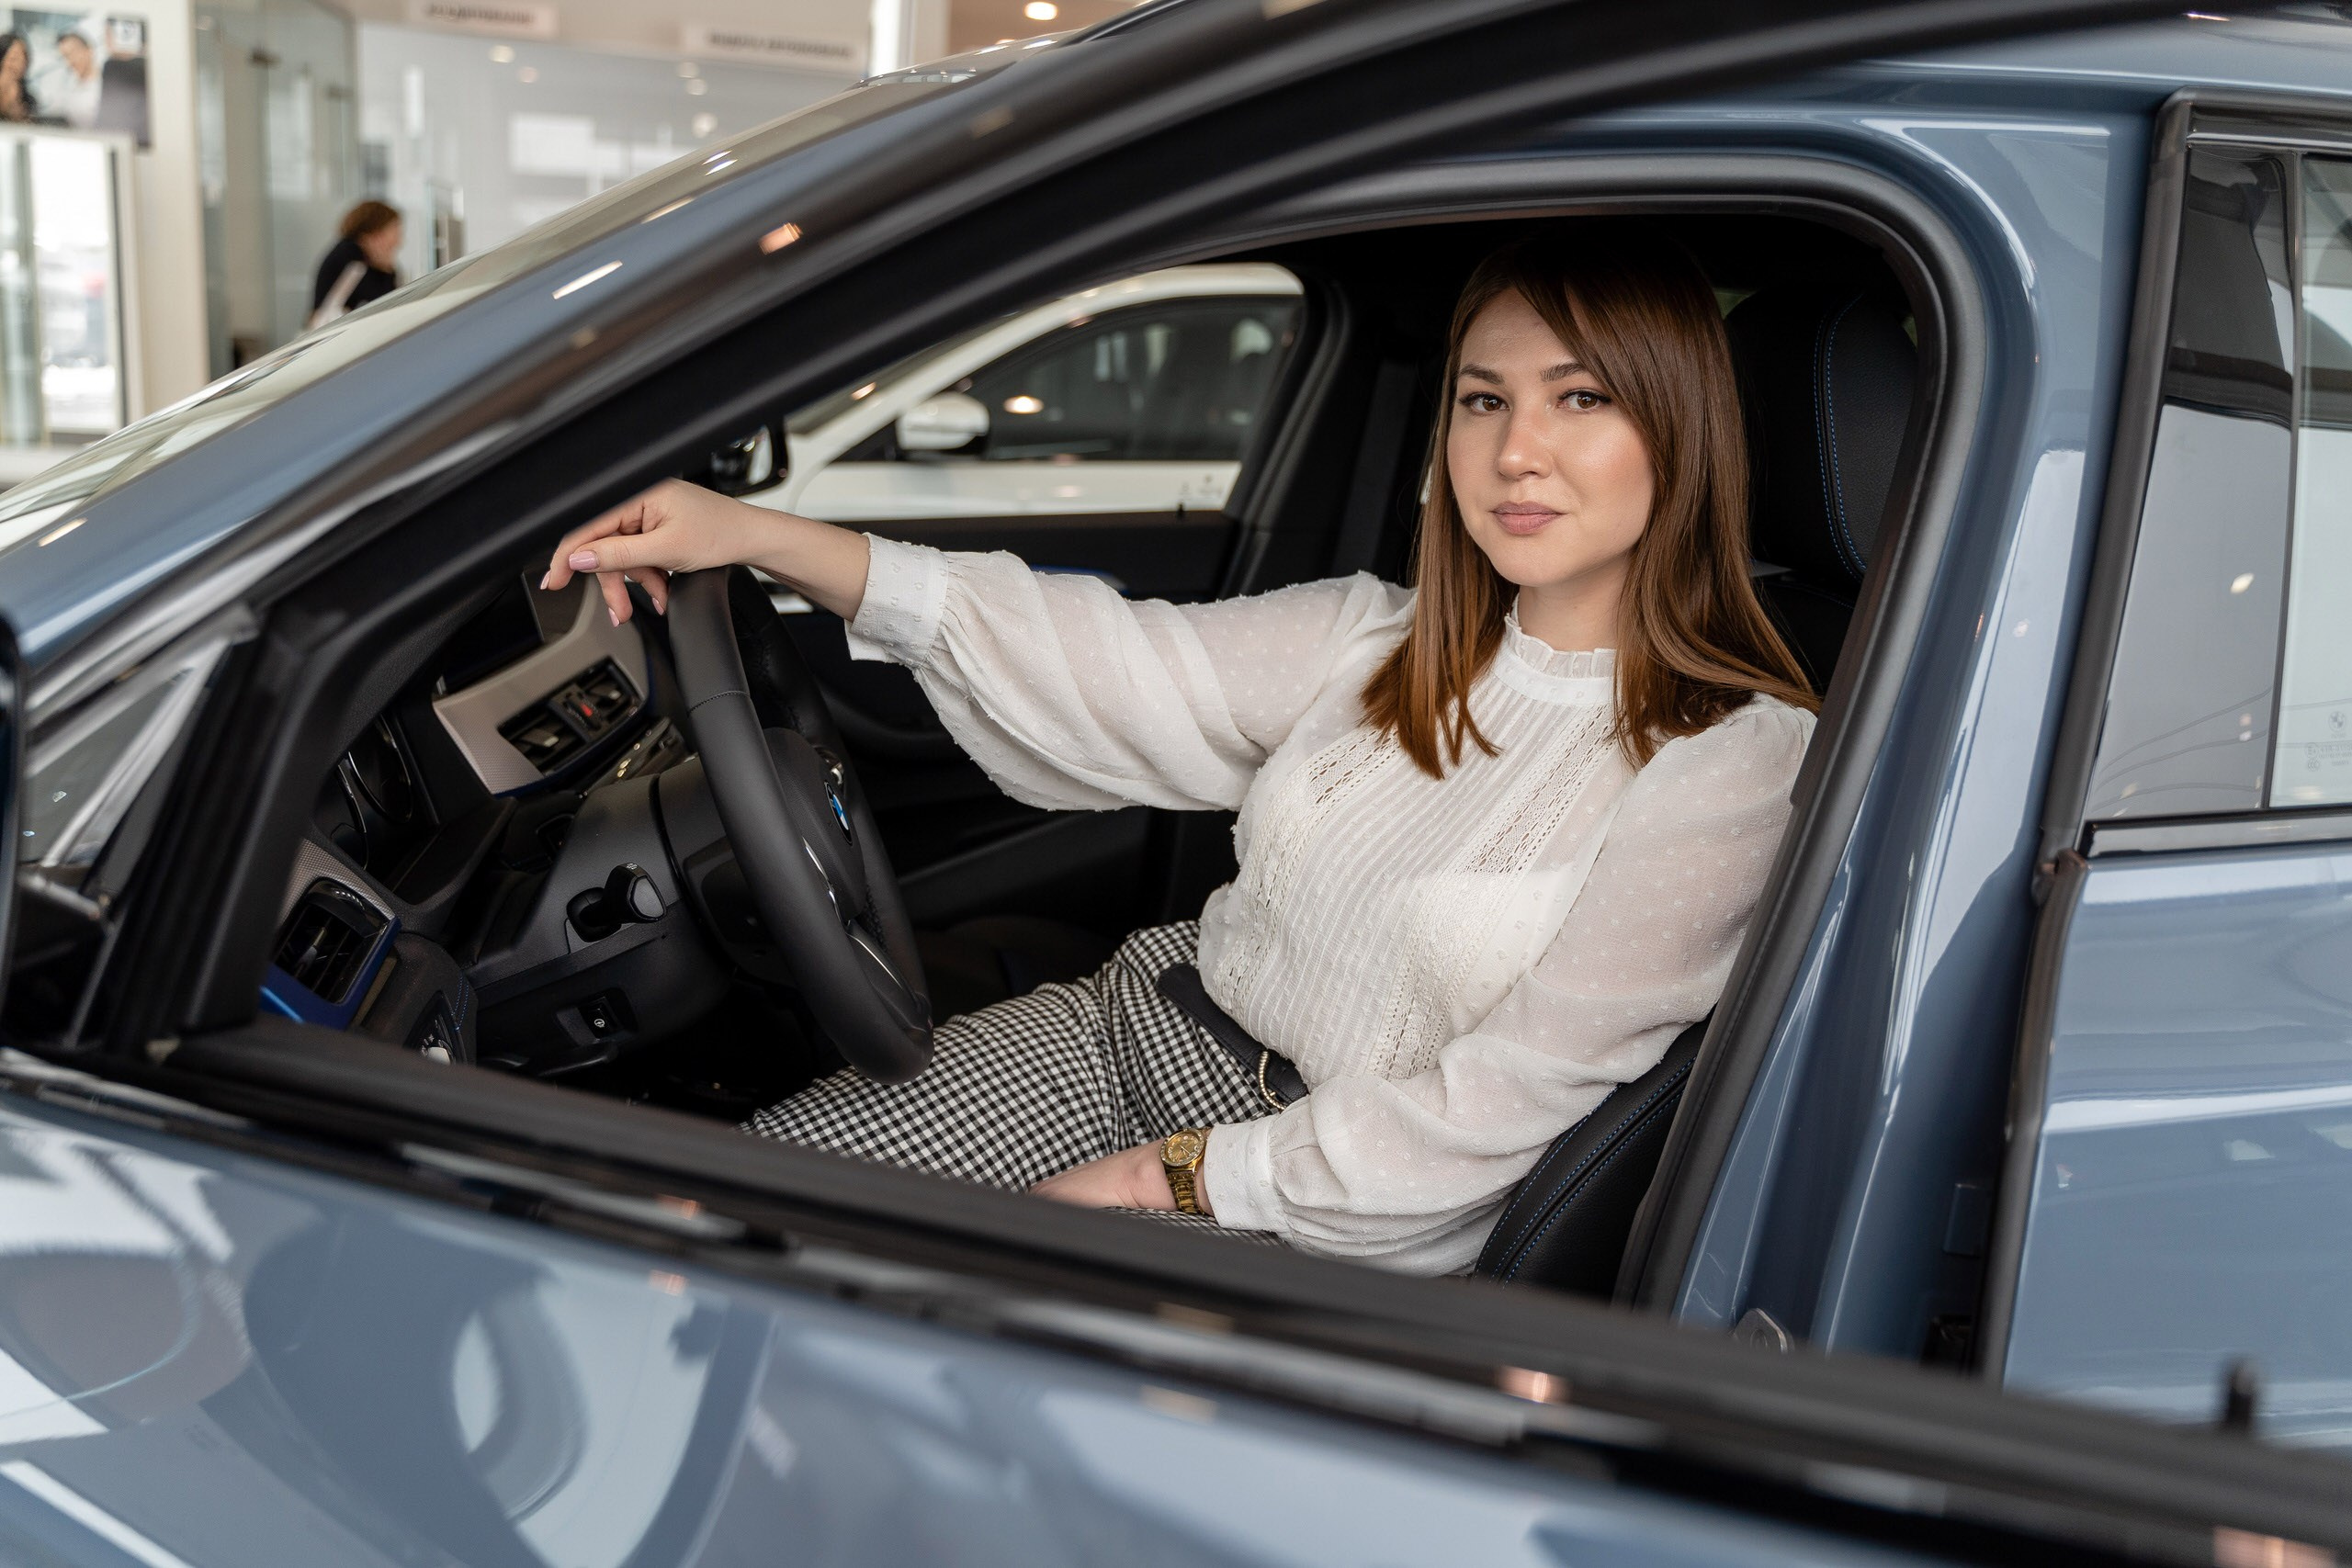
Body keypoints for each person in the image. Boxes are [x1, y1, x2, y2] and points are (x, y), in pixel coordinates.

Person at [542, 228, 1820, 1275]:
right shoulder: (1378, 635)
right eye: (1483, 399)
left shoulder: (1734, 759)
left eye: (1580, 398)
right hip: (1126, 1035)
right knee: (710, 1228)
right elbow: (1095, 653)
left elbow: (1503, 1103)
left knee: (866, 1332)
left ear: (1677, 430)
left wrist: (1179, 1176)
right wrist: (762, 534)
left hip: (1331, 1198)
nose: (1514, 451)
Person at [309, 202, 402, 329]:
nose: (398, 240)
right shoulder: (350, 255)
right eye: (394, 229)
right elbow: (383, 302)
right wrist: (385, 269)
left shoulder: (358, 255)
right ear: (377, 230)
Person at [53, 28, 99, 130]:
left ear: (89, 51)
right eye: (65, 57)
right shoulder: (68, 87)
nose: (70, 61)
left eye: (73, 53)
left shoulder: (106, 86)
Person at [0, 34, 38, 124]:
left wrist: (15, 106)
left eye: (24, 59)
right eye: (14, 58)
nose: (19, 65)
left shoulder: (28, 99)